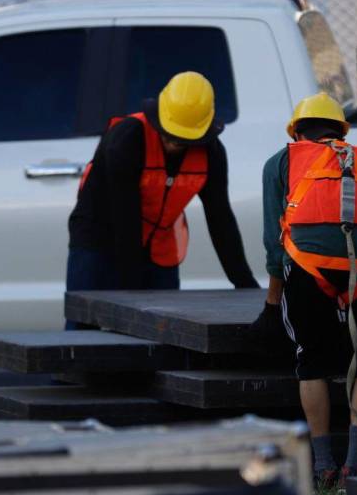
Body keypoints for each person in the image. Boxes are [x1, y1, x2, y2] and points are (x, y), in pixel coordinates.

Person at [253, 92, 357, 489]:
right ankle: (356, 465)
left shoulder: (281, 162)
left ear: (297, 131)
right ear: (341, 131)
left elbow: (274, 241)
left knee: (312, 362)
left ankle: (323, 466)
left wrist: (271, 304)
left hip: (308, 267)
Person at [66, 71, 258, 327]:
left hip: (159, 245)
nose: (171, 144)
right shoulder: (127, 138)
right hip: (99, 238)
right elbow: (125, 217)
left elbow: (220, 219)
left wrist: (244, 284)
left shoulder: (211, 153)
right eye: (167, 134)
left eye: (181, 141)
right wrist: (132, 297)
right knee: (85, 326)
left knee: (163, 327)